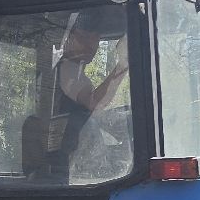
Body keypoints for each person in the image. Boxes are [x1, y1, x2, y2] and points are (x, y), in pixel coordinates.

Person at [23, 12, 129, 180]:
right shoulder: (67, 69)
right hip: (66, 170)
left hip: (68, 165)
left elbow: (87, 114)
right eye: (83, 38)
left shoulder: (69, 70)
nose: (90, 46)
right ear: (68, 38)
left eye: (95, 39)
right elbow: (94, 103)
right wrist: (123, 64)